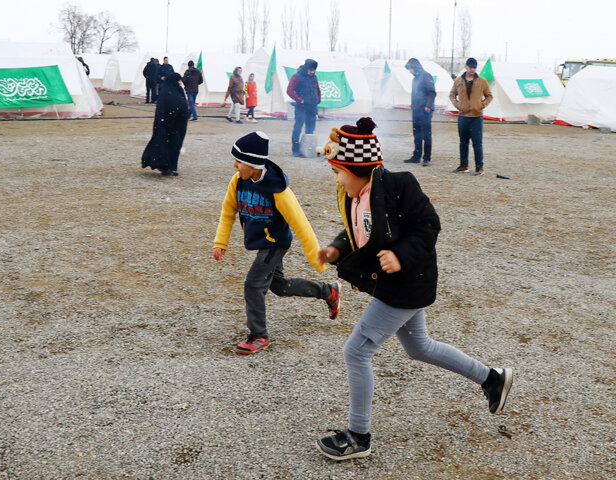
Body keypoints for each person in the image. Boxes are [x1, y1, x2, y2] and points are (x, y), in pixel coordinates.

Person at [314, 117, 513, 461]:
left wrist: (398, 255)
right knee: (420, 347)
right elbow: (357, 233)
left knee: (356, 352)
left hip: (404, 285)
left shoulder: (399, 185)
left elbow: (428, 226)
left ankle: (358, 436)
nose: (335, 179)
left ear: (356, 166)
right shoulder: (355, 196)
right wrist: (336, 248)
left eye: (337, 172)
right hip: (395, 285)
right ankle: (492, 379)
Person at [213, 131, 343, 354]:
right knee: (279, 286)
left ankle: (258, 336)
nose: (235, 166)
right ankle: (328, 292)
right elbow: (228, 212)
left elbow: (301, 225)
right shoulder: (238, 182)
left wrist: (317, 259)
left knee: (253, 285)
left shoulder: (278, 190)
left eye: (239, 161)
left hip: (275, 243)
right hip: (262, 242)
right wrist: (220, 242)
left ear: (253, 164)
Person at [449, 57, 493, 176]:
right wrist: (458, 105)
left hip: (476, 117)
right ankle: (464, 165)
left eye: (474, 67)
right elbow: (452, 95)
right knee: (463, 142)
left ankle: (480, 167)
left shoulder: (482, 81)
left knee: (477, 143)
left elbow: (489, 96)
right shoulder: (458, 81)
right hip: (463, 116)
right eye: (470, 67)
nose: (472, 69)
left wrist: (481, 105)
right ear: (466, 67)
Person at [141, 73, 188, 176]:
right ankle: (165, 167)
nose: (180, 82)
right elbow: (164, 110)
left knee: (174, 145)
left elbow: (181, 104)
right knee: (166, 144)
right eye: (178, 80)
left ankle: (171, 166)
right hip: (167, 125)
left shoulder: (176, 90)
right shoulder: (167, 92)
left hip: (176, 125)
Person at [403, 58, 436, 166]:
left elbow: (432, 92)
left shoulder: (426, 76)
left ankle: (427, 157)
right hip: (416, 110)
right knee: (417, 133)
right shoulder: (415, 79)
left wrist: (428, 106)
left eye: (410, 69)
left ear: (415, 67)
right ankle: (416, 156)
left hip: (425, 111)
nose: (410, 71)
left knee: (426, 135)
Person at [287, 58, 320, 157]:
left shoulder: (314, 77)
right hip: (301, 107)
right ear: (306, 68)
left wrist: (318, 99)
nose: (312, 72)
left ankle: (307, 149)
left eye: (313, 70)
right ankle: (296, 149)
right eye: (310, 70)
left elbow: (318, 89)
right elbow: (289, 90)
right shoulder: (296, 77)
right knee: (298, 128)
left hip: (312, 107)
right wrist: (299, 99)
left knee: (310, 128)